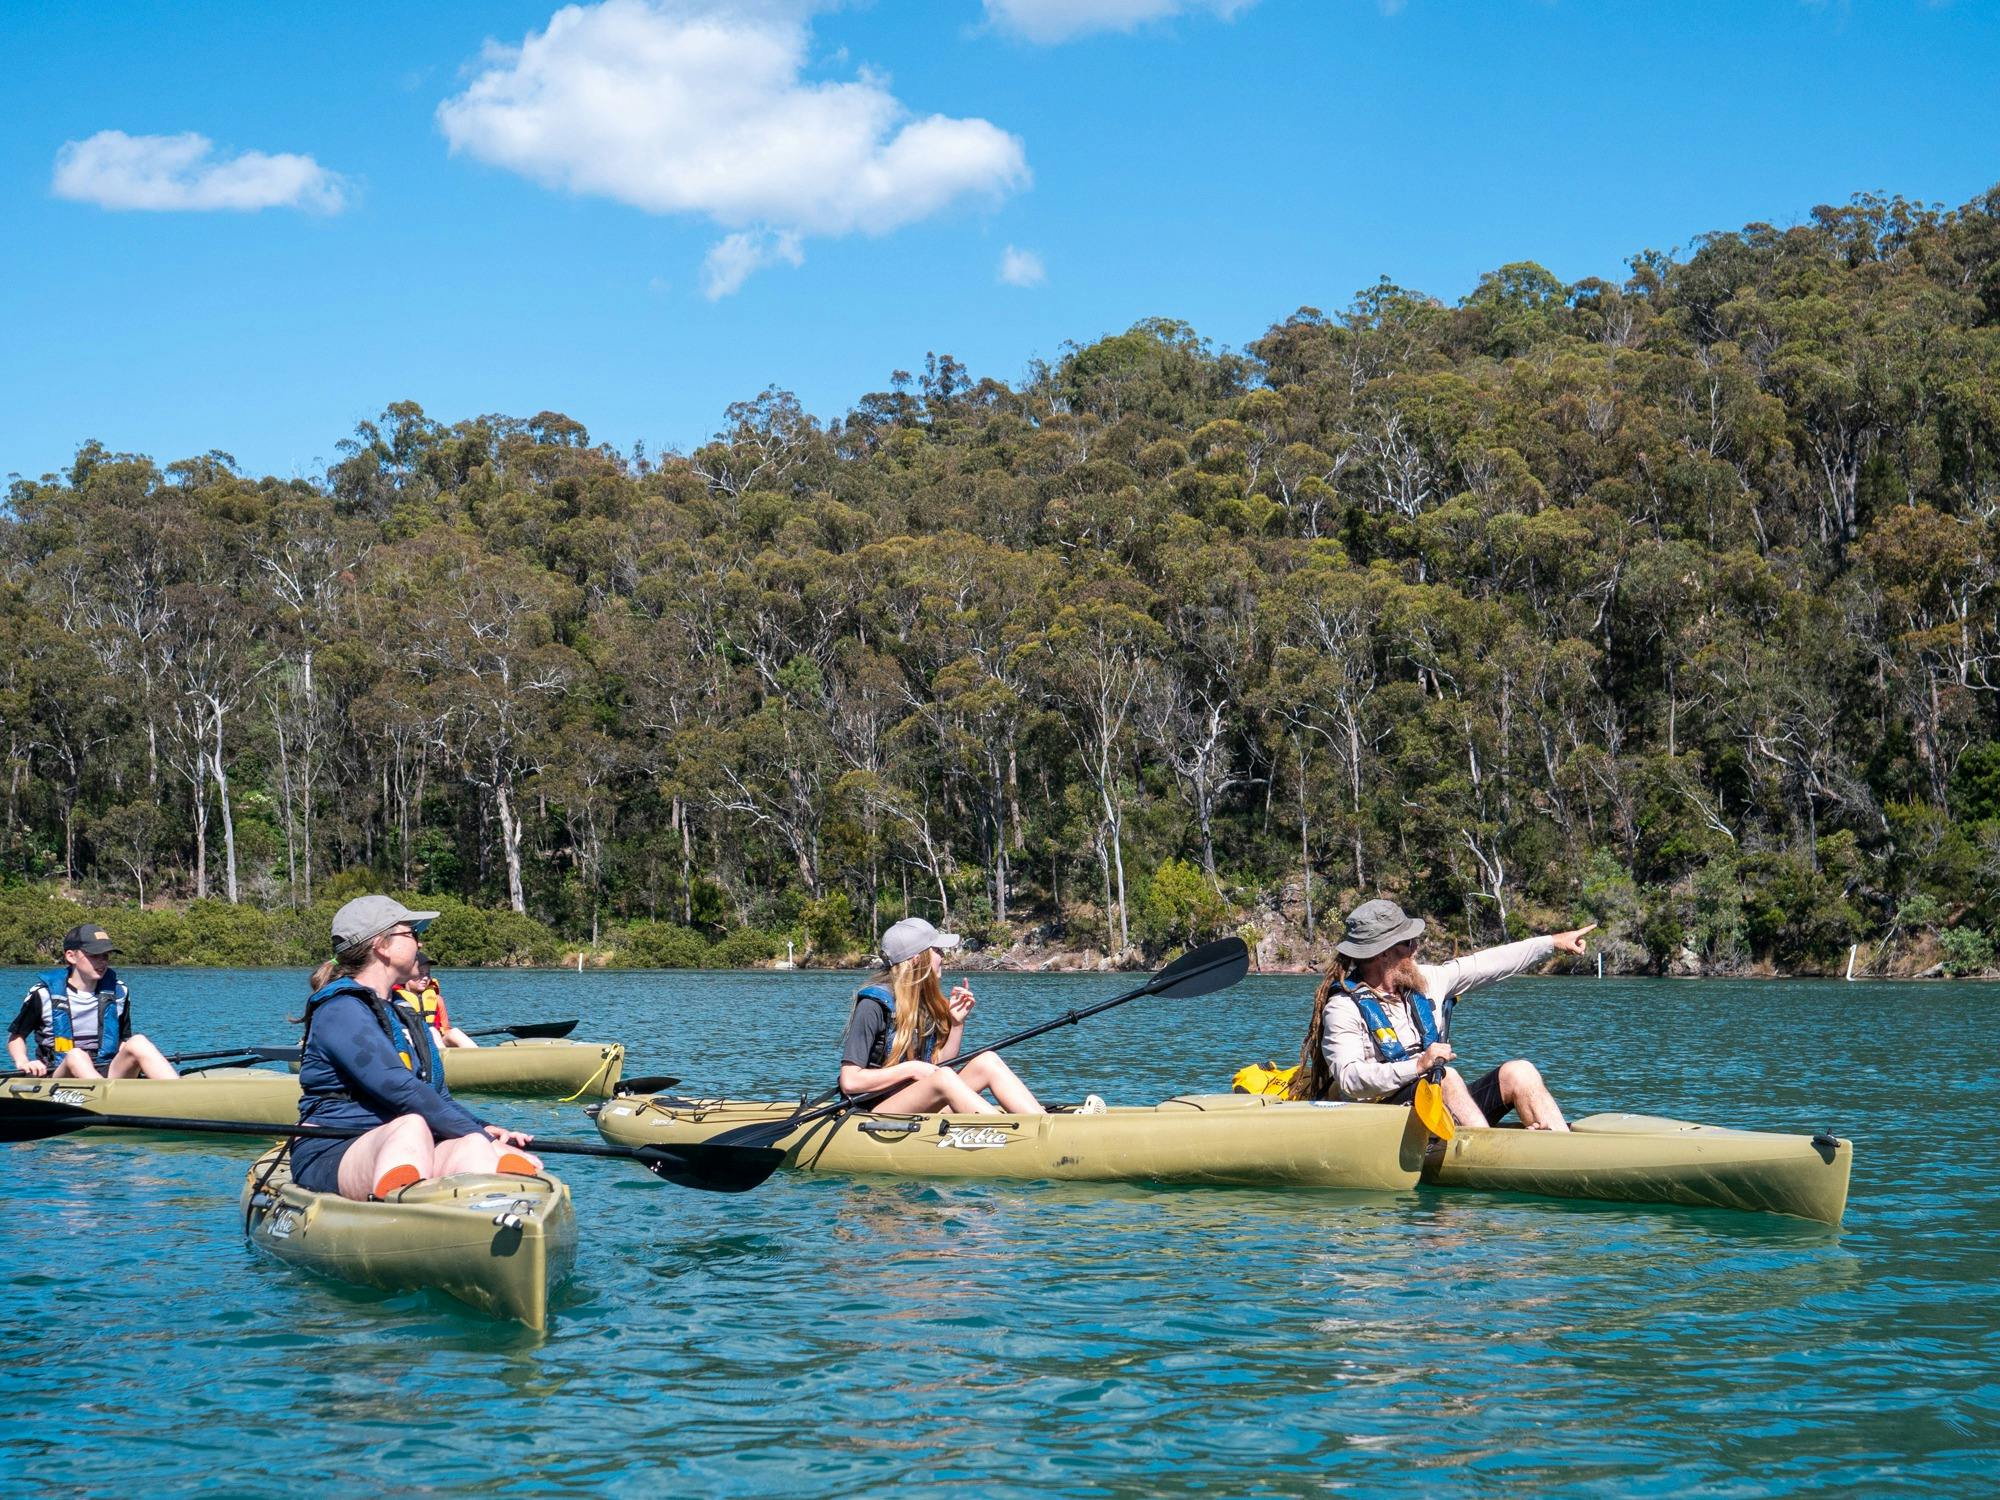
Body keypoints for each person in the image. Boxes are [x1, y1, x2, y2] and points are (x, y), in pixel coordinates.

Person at [289, 896, 540, 1202]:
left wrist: (484, 1129)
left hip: (408, 1140)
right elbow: (399, 1089)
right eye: (412, 934)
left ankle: (487, 1218)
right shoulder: (341, 1010)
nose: (419, 944)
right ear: (381, 945)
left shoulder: (403, 1014)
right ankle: (403, 1216)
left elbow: (436, 1097)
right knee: (411, 1127)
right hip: (333, 1146)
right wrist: (481, 1135)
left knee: (472, 1148)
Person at [1289, 898, 1596, 1130]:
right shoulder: (1342, 1008)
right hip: (1384, 1123)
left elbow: (1488, 963)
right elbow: (1351, 1080)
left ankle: (1558, 1147)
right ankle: (1488, 1154)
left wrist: (1552, 943)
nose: (1417, 948)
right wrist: (1419, 1065)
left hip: (1441, 1108)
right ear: (1383, 953)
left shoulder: (1427, 982)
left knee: (1520, 1071)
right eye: (1409, 943)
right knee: (1444, 1077)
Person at [837, 917, 1080, 1116]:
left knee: (987, 1061)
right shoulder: (872, 1005)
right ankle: (1015, 1137)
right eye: (938, 950)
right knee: (944, 1079)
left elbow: (939, 1064)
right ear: (916, 959)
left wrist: (956, 1024)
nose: (944, 956)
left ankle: (1042, 1124)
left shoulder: (924, 1001)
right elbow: (850, 1081)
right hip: (875, 1113)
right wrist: (911, 1069)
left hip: (920, 1100)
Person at [6, 924, 176, 1080]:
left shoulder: (119, 992)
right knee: (76, 1055)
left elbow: (123, 1040)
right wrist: (23, 1062)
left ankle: (179, 1091)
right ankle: (106, 1100)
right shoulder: (42, 994)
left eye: (105, 956)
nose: (102, 962)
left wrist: (137, 1062)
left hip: (106, 1068)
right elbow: (16, 1037)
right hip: (60, 1073)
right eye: (94, 956)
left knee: (138, 1041)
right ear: (71, 956)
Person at [396, 949, 476, 1049]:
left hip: (436, 1042)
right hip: (412, 1044)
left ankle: (480, 1059)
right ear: (407, 974)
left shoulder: (437, 1000)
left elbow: (446, 1028)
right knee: (432, 1032)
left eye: (427, 974)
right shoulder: (396, 999)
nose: (425, 978)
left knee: (453, 1032)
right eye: (420, 973)